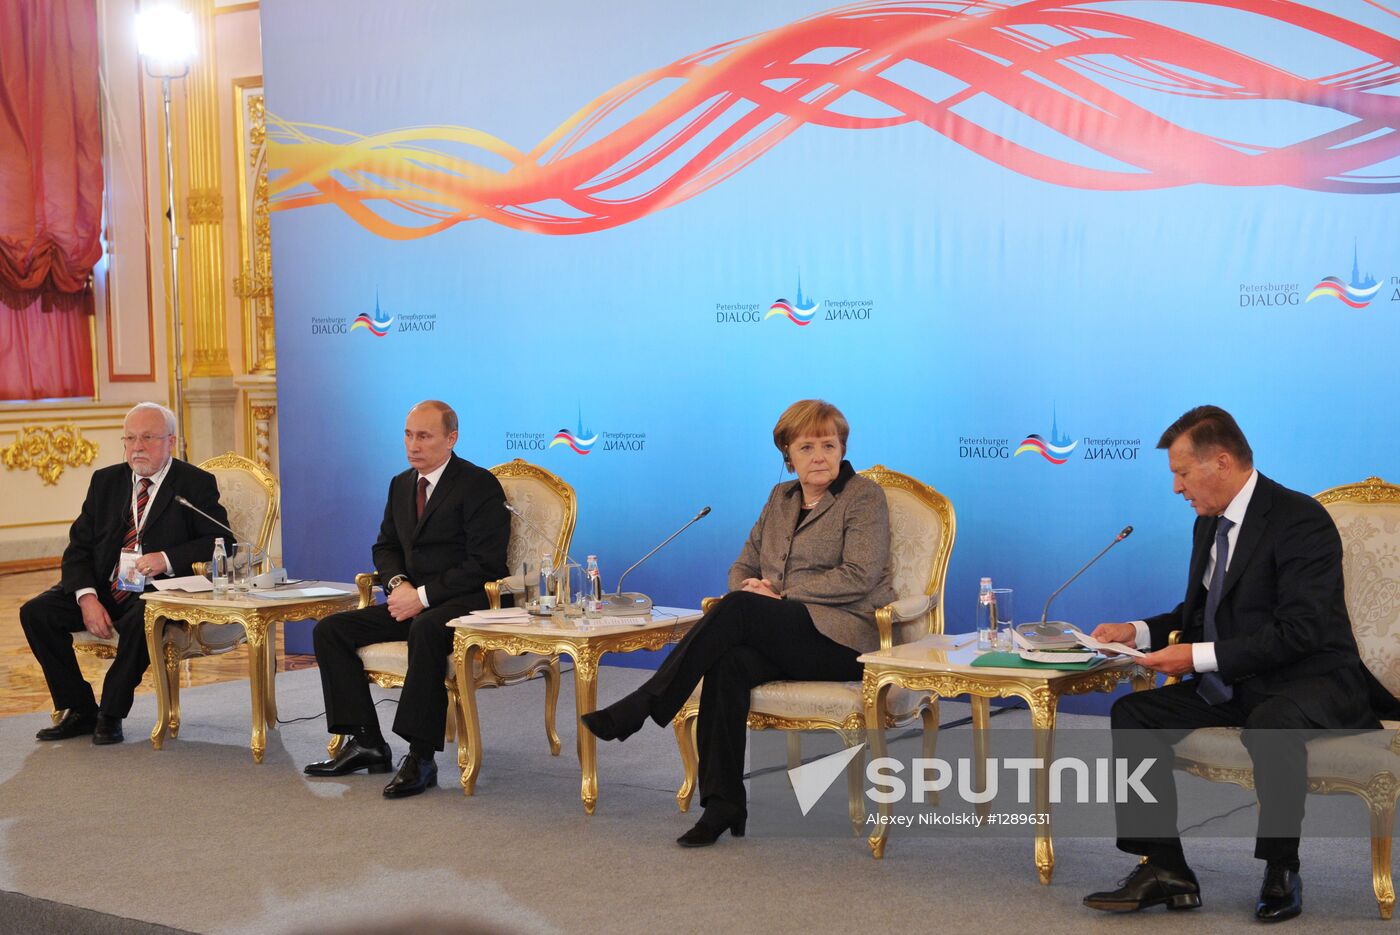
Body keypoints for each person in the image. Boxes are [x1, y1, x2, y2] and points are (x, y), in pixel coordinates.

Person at [1083, 405, 1384, 923]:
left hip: (1311, 678)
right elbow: (1198, 614)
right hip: (1238, 678)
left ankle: (1281, 869)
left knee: (1273, 722)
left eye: (1182, 473)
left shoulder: (1300, 520)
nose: (1177, 488)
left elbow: (1302, 632)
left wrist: (1195, 656)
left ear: (1220, 462)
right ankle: (1165, 868)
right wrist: (1137, 631)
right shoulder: (1208, 524)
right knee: (1134, 717)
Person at [582, 399, 895, 846]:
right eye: (807, 447)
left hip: (841, 639)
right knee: (727, 662)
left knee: (737, 609)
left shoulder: (864, 497)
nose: (820, 456)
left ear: (844, 448)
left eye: (829, 444)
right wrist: (748, 587)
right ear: (788, 454)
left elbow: (860, 574)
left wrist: (779, 595)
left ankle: (645, 703)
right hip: (783, 631)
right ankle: (722, 802)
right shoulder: (780, 498)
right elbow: (743, 563)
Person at [304, 400, 509, 798]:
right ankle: (366, 742)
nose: (413, 445)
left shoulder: (478, 485)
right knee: (332, 630)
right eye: (408, 434)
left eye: (425, 436)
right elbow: (385, 546)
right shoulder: (401, 483)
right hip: (411, 597)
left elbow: (486, 564)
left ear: (451, 439)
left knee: (428, 628)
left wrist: (424, 596)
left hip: (465, 601)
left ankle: (421, 756)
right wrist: (398, 584)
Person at [21, 402, 229, 745]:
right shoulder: (105, 482)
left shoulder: (194, 484)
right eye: (130, 438)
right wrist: (87, 598)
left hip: (158, 591)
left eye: (148, 438)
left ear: (171, 441)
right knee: (36, 613)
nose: (137, 447)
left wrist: (166, 558)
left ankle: (111, 713)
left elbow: (223, 541)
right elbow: (79, 548)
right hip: (108, 586)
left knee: (141, 619)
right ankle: (80, 708)